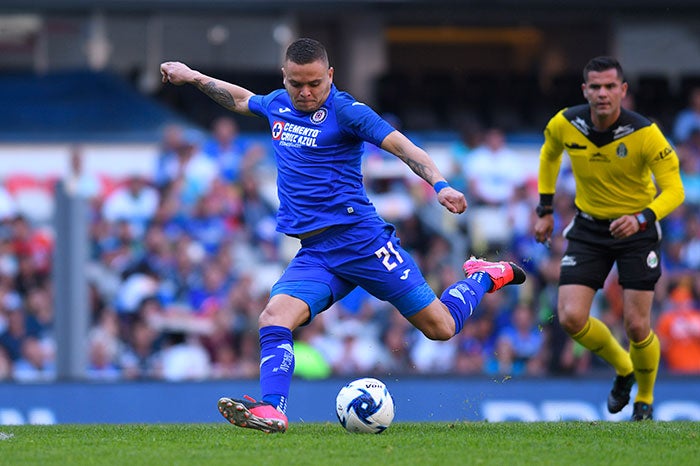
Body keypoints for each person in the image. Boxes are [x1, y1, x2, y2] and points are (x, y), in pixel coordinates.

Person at [161, 37, 526, 433]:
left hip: (363, 242)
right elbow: (240, 99)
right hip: (316, 251)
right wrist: (194, 76)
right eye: (296, 83)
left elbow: (403, 147)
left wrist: (441, 185)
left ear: (330, 75)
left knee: (441, 328)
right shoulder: (278, 104)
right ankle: (272, 409)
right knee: (273, 317)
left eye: (315, 83)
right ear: (284, 77)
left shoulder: (347, 111)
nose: (305, 92)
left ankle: (485, 275)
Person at [533, 56, 685, 421]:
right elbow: (549, 153)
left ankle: (644, 400)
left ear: (623, 91)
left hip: (638, 229)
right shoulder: (566, 122)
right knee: (570, 317)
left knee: (636, 325)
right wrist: (545, 208)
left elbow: (675, 191)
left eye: (609, 87)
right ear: (585, 90)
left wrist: (641, 217)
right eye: (595, 87)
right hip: (589, 227)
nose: (602, 93)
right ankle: (624, 368)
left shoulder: (645, 133)